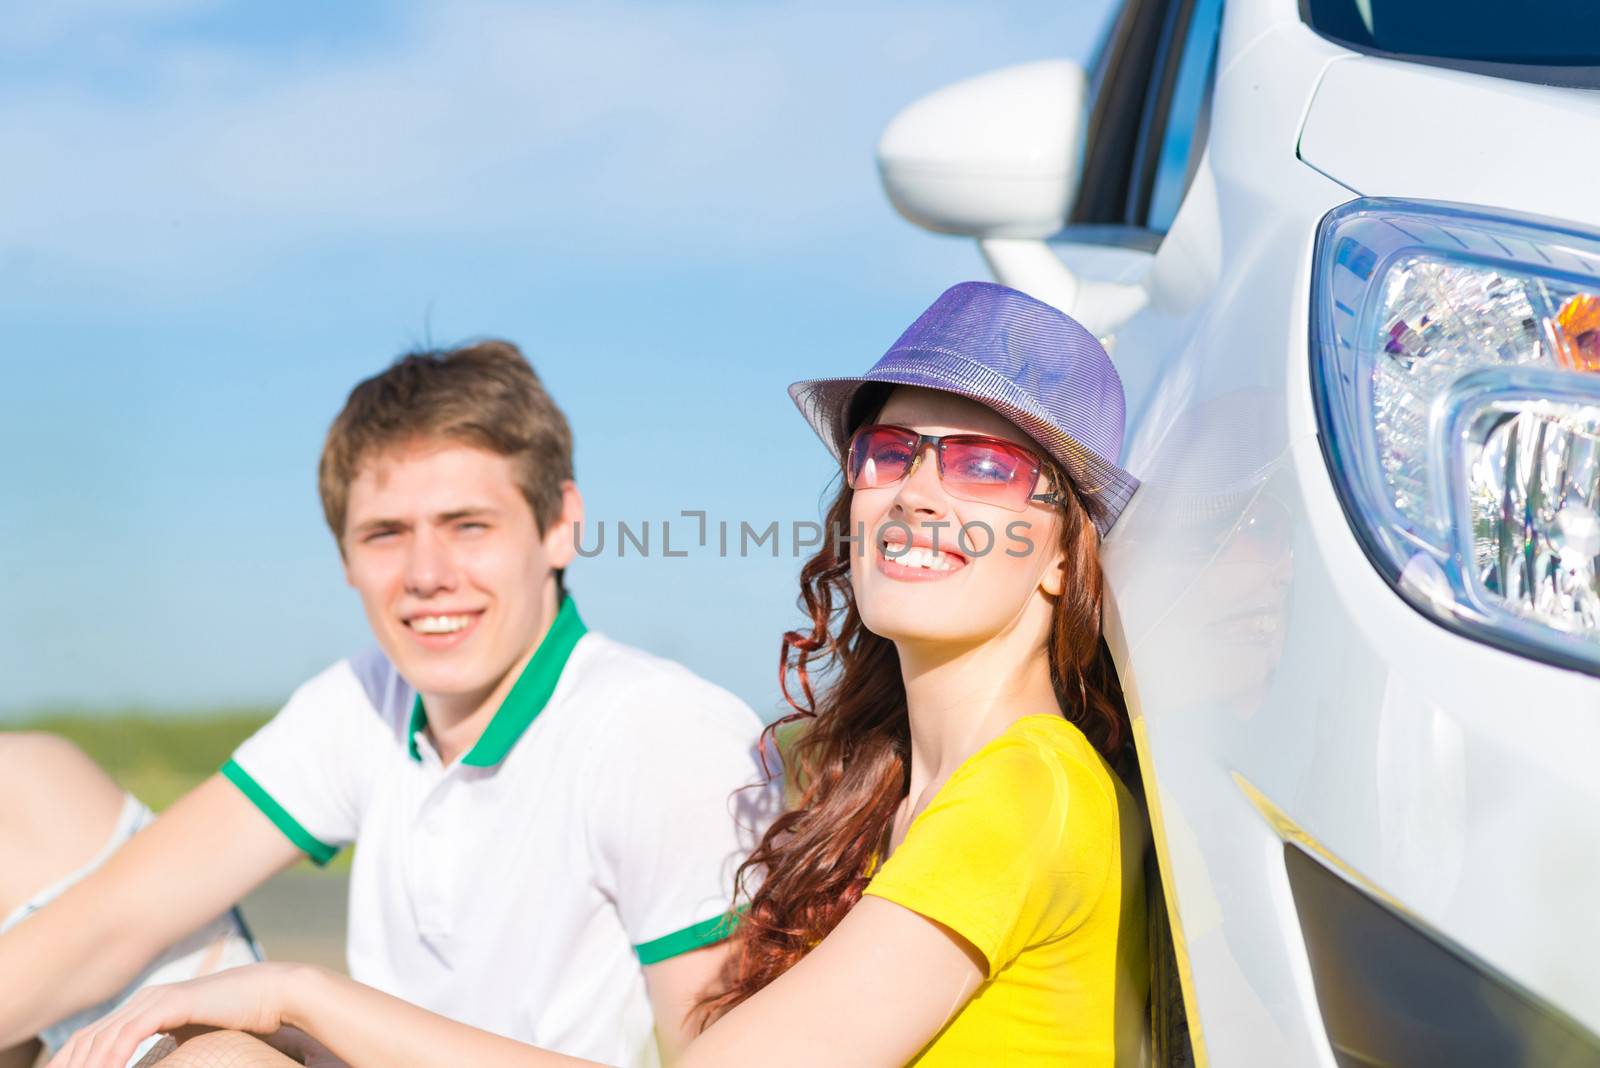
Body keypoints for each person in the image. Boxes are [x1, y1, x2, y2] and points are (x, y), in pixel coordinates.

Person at [54, 281, 1151, 1068]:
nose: (915, 491)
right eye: (887, 453)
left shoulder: (1023, 793)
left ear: (1063, 552)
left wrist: (302, 994)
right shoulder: (911, 792)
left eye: (986, 465)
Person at [0, 341, 768, 1068]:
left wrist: (300, 996)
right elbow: (111, 922)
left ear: (561, 524)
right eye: (386, 534)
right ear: (344, 557)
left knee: (221, 1061)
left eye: (469, 526)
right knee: (24, 784)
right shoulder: (364, 699)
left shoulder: (664, 731)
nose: (427, 573)